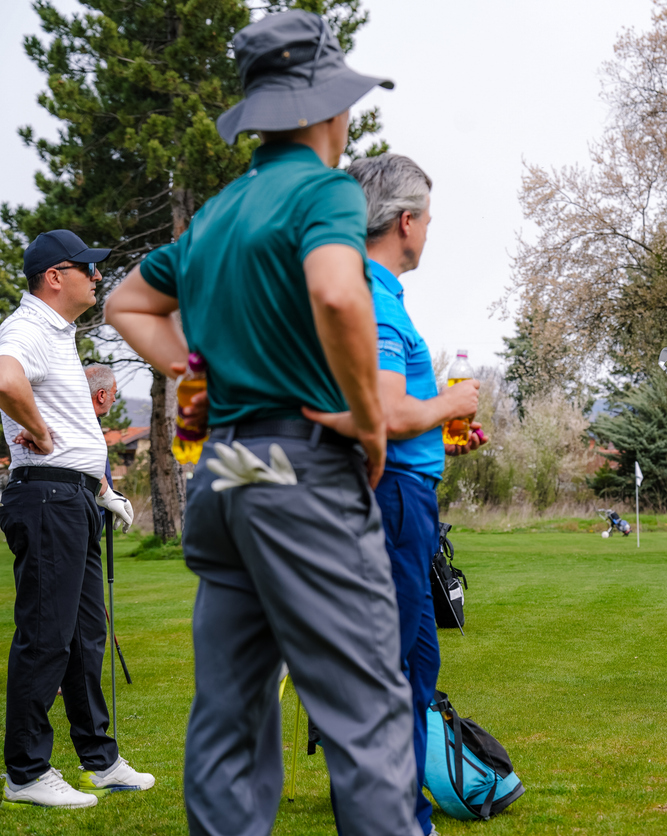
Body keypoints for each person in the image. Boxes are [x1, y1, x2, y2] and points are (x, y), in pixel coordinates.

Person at [103, 11, 422, 836]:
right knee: (366, 711)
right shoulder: (324, 191)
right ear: (326, 109)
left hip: (227, 477)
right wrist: (366, 417)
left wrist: (187, 368)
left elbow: (126, 302)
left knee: (231, 718)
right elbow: (339, 292)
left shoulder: (216, 214)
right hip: (299, 475)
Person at [305, 152, 483, 836]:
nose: (430, 231)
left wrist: (443, 434)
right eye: (428, 219)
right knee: (401, 666)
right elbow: (380, 412)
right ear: (404, 222)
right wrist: (450, 400)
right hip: (393, 502)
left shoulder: (372, 294)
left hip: (402, 490)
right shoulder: (375, 299)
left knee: (406, 661)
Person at [0, 230, 150, 810]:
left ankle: (101, 759)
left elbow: (76, 428)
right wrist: (36, 434)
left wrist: (102, 488)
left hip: (75, 499)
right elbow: (6, 379)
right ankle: (26, 771)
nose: (96, 275)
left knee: (87, 636)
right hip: (47, 499)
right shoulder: (28, 327)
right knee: (47, 635)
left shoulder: (59, 336)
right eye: (84, 267)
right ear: (53, 277)